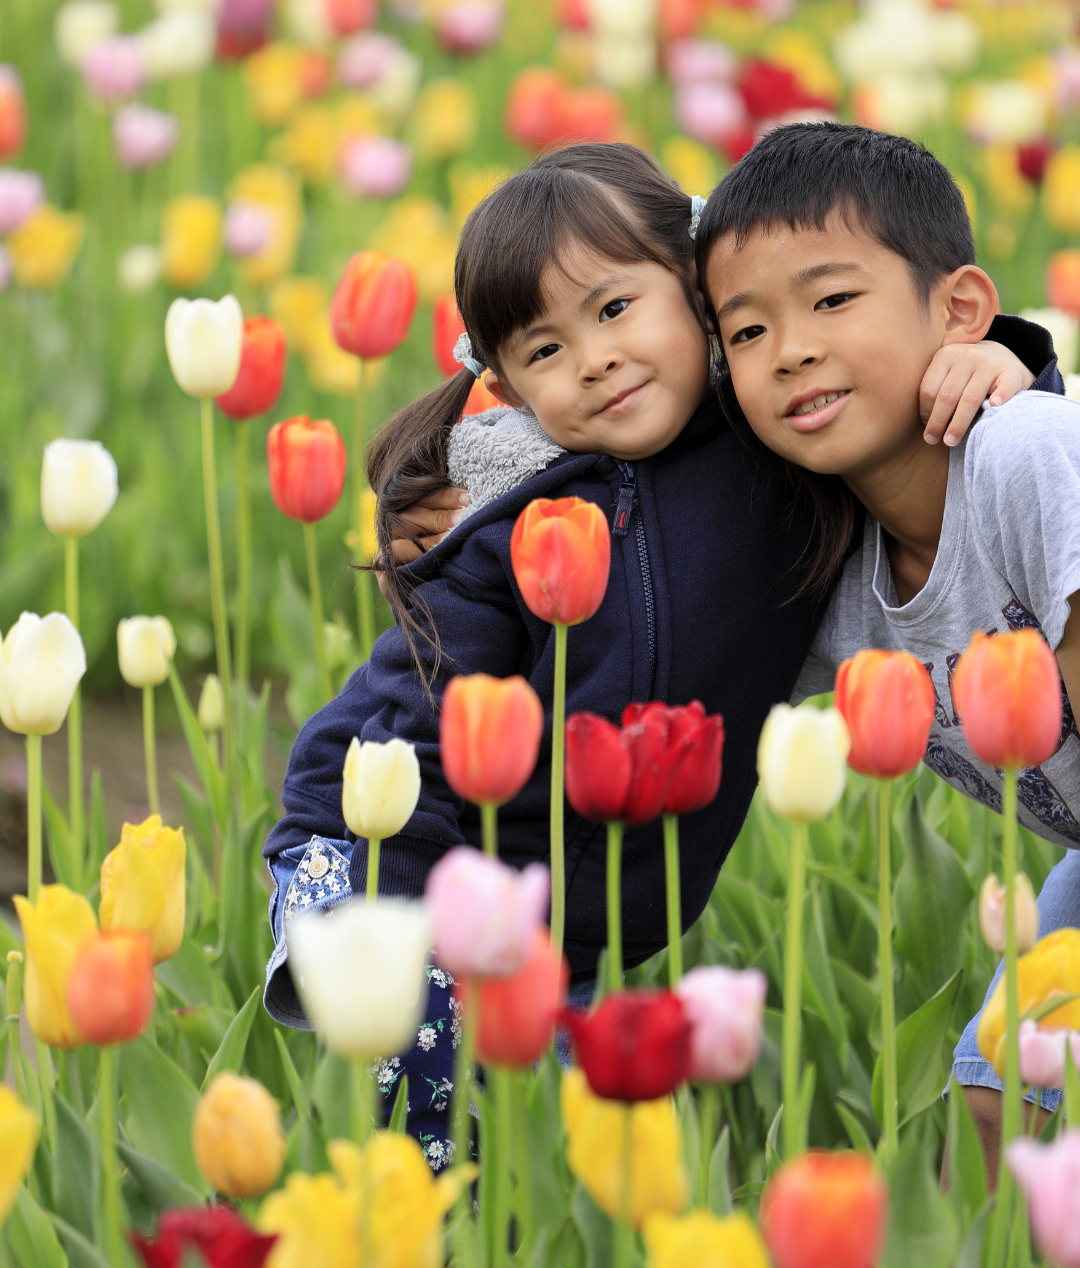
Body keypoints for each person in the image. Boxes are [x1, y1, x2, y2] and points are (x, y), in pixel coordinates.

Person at [264, 141, 1056, 1171]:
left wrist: (1007, 361)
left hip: (581, 931)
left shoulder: (780, 440)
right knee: (433, 1154)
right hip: (392, 855)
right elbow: (406, 722)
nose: (592, 359)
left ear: (693, 298)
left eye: (612, 311)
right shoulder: (511, 527)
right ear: (505, 384)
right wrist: (387, 911)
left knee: (543, 1177)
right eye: (543, 352)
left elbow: (925, 415)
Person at [693, 120, 1076, 1176]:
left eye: (831, 300)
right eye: (748, 332)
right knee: (1000, 1114)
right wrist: (458, 488)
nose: (794, 349)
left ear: (958, 308)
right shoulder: (823, 576)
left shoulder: (1026, 458)